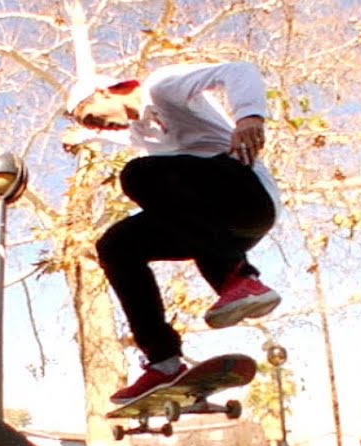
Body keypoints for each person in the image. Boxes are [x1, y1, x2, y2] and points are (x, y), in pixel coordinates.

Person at [65, 62, 284, 403]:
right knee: (115, 245)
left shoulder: (162, 86)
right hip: (218, 228)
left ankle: (239, 279)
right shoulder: (142, 133)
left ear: (104, 91)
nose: (99, 126)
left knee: (138, 174)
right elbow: (121, 132)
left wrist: (249, 117)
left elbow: (240, 71)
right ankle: (164, 363)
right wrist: (84, 134)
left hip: (247, 195)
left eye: (92, 116)